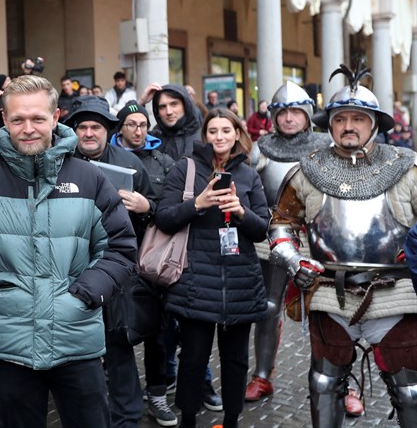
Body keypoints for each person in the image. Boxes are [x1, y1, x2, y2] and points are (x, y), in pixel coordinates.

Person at [0, 75, 136, 427]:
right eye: (18, 119)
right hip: (9, 346)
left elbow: (121, 249)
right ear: (4, 121)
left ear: (55, 118)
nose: (28, 128)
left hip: (76, 340)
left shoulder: (89, 178)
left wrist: (86, 293)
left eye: (37, 119)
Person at [270, 64, 417, 427]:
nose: (348, 126)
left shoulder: (409, 168)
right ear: (330, 124)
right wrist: (295, 261)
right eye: (340, 119)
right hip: (329, 292)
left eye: (358, 118)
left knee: (411, 389)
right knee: (323, 382)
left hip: (394, 292)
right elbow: (281, 225)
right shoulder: (306, 171)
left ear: (375, 124)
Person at [155, 108, 269, 428]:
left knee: (235, 361)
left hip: (240, 281)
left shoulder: (248, 174)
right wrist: (198, 204)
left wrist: (241, 211)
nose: (219, 137)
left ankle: (231, 420)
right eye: (213, 131)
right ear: (205, 135)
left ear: (237, 134)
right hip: (195, 280)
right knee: (192, 359)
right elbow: (163, 218)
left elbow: (262, 229)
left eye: (226, 130)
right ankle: (188, 419)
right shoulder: (186, 169)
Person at [65, 95, 163, 427]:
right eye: (83, 127)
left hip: (119, 268)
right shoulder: (60, 161)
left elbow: (160, 211)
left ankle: (127, 418)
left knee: (119, 347)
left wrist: (144, 205)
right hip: (72, 269)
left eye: (96, 127)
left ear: (108, 130)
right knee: (81, 352)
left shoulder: (130, 163)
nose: (89, 133)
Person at [245, 82, 331, 404]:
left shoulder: (327, 146)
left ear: (307, 114)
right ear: (274, 116)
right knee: (268, 306)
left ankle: (339, 382)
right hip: (274, 235)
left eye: (296, 111)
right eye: (283, 112)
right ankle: (263, 375)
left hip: (318, 235)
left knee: (328, 311)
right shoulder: (261, 148)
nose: (289, 118)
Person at [142, 82, 223, 408]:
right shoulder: (153, 139)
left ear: (186, 105)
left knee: (195, 319)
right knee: (163, 320)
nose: (168, 111)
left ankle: (201, 381)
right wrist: (140, 102)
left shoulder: (200, 139)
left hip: (199, 237)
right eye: (161, 107)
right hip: (163, 235)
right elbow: (124, 128)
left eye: (174, 104)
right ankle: (169, 375)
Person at [110, 100, 177, 425]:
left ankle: (157, 392)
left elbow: (170, 208)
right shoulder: (103, 159)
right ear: (120, 128)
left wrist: (146, 204)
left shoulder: (163, 161)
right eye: (131, 124)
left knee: (157, 330)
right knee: (111, 328)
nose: (138, 130)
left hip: (150, 256)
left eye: (142, 125)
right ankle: (115, 388)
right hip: (110, 254)